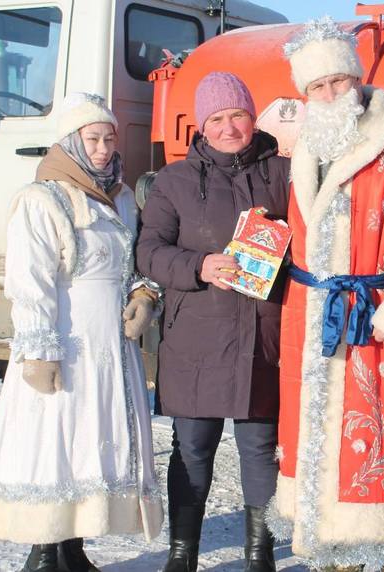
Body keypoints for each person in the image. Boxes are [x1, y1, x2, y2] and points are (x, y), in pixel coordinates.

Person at [267, 17, 384, 572]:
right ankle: (332, 557)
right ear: (305, 95)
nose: (329, 94)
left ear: (357, 80)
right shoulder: (305, 145)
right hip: (311, 318)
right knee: (314, 452)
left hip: (374, 322)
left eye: (337, 82)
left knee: (380, 445)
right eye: (316, 87)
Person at [0, 93, 164, 572]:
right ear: (70, 142)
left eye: (108, 139)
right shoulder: (42, 199)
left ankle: (73, 547)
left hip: (109, 349)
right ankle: (43, 551)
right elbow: (30, 281)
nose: (102, 149)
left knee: (89, 444)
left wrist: (144, 296)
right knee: (52, 441)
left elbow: (131, 264)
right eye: (92, 139)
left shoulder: (119, 196)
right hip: (63, 342)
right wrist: (39, 351)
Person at [136, 72, 290, 572]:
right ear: (202, 126)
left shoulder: (285, 173)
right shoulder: (174, 181)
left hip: (262, 334)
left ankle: (259, 554)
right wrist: (198, 266)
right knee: (194, 448)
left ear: (253, 116)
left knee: (260, 450)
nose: (229, 127)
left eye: (238, 115)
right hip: (197, 335)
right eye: (217, 119)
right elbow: (149, 251)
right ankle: (182, 554)